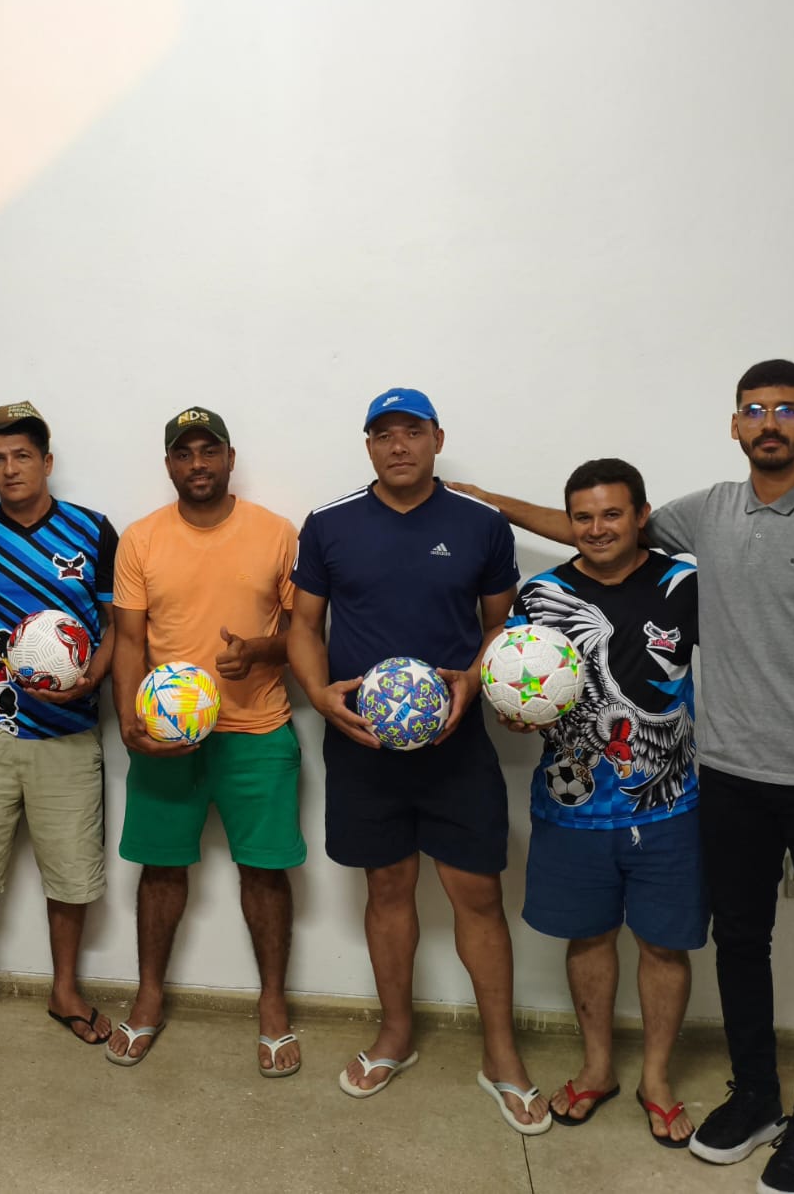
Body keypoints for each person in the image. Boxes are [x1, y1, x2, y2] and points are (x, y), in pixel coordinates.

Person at [455, 360, 794, 1194]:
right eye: (754, 409)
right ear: (734, 424)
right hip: (731, 777)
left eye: (786, 409)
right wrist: (489, 500)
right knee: (739, 941)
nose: (768, 422)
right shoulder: (708, 512)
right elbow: (589, 531)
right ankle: (758, 1100)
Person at [286, 387, 550, 1134]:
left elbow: (500, 625)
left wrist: (473, 680)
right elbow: (304, 626)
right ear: (368, 445)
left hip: (454, 746)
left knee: (477, 894)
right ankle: (395, 1035)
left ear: (437, 437)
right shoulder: (330, 523)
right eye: (383, 434)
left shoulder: (480, 524)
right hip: (363, 745)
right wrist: (321, 695)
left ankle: (501, 1054)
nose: (398, 445)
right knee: (388, 888)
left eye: (411, 431)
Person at [501, 458, 703, 1146]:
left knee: (664, 944)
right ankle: (597, 1069)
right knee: (587, 937)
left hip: (669, 805)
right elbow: (511, 681)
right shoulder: (541, 594)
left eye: (612, 514)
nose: (597, 529)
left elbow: (747, 660)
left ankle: (656, 1080)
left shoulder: (685, 583)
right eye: (582, 517)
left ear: (641, 516)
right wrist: (515, 711)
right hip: (572, 808)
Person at [107, 407, 306, 1075]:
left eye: (209, 450)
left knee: (265, 871)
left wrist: (259, 650)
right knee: (160, 870)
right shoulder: (141, 539)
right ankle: (148, 997)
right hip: (167, 736)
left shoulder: (276, 533)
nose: (198, 463)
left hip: (259, 728)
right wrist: (130, 723)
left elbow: (306, 634)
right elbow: (128, 640)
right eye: (184, 452)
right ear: (169, 463)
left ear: (229, 458)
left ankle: (273, 1005)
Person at [0, 401, 118, 1056]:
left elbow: (116, 626)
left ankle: (65, 989)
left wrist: (92, 677)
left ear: (47, 461)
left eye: (22, 456)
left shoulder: (92, 530)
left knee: (71, 872)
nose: (9, 469)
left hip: (67, 731)